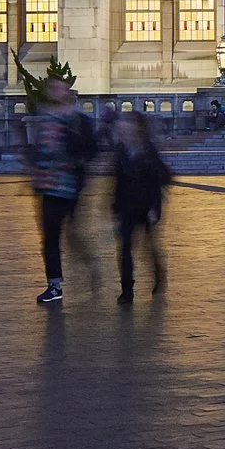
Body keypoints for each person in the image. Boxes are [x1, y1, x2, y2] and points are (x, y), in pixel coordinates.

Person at [27, 78, 99, 305]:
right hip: (49, 186)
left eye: (60, 88)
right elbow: (38, 149)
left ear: (67, 92)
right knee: (50, 238)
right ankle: (54, 285)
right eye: (52, 88)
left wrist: (76, 161)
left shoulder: (79, 120)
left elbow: (92, 148)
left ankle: (90, 266)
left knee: (73, 235)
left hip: (71, 186)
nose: (56, 92)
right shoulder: (44, 117)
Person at [111, 111, 174, 303]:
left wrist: (155, 207)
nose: (122, 126)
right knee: (125, 248)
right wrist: (114, 205)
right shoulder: (121, 150)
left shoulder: (148, 150)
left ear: (137, 127)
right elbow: (117, 180)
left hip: (146, 207)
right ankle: (127, 289)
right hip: (126, 207)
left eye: (127, 122)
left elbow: (159, 180)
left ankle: (158, 273)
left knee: (148, 246)